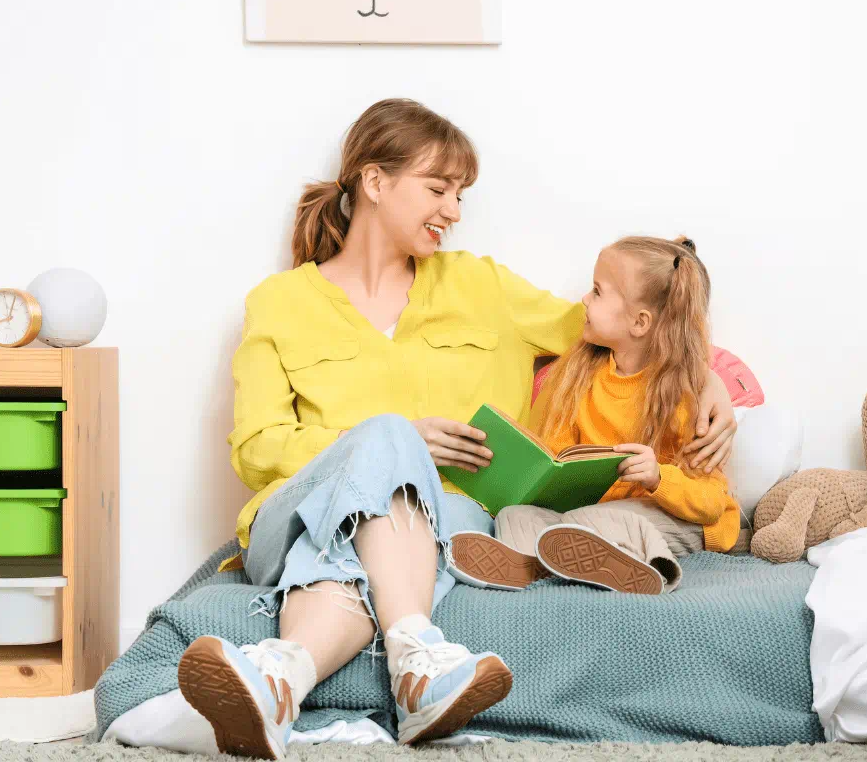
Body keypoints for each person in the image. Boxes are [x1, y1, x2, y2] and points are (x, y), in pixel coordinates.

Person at [172, 99, 738, 759]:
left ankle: (280, 678)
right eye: (438, 189)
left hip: (448, 518)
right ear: (375, 182)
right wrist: (394, 441)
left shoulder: (483, 286)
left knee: (353, 563)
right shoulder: (280, 304)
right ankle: (417, 661)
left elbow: (635, 323)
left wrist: (709, 379)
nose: (455, 210)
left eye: (461, 194)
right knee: (387, 437)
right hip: (297, 513)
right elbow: (256, 450)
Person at [450, 236, 743, 597]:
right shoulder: (579, 375)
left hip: (683, 517)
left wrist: (658, 478)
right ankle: (530, 566)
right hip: (589, 519)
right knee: (515, 516)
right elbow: (558, 460)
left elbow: (711, 503)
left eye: (597, 291)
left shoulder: (687, 395)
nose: (584, 300)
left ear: (639, 322)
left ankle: (652, 570)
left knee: (604, 521)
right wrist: (538, 478)